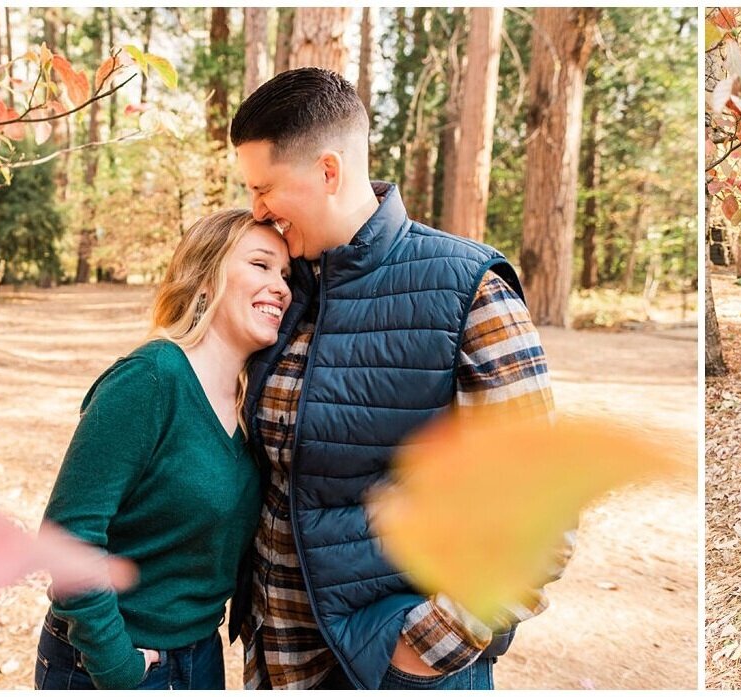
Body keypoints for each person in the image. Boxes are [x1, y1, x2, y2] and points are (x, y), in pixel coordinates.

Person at [226, 67, 569, 690]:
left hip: (392, 667)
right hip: (280, 661)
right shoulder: (283, 288)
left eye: (265, 188)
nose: (256, 210)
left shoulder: (468, 290)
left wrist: (425, 647)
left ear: (328, 172)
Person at [34, 210, 291, 689]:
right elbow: (69, 535)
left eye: (285, 274)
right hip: (113, 660)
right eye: (261, 265)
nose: (281, 286)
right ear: (206, 277)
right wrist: (119, 669)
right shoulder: (150, 380)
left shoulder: (248, 403)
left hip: (200, 659)